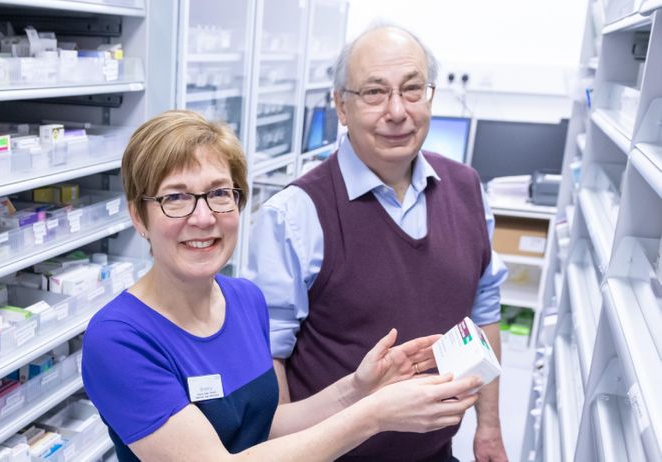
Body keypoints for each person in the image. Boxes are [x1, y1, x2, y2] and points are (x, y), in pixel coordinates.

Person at [81, 110, 482, 461]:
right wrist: (374, 415)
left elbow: (265, 426)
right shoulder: (119, 340)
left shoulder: (244, 300)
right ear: (138, 216)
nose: (203, 218)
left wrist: (359, 389)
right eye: (176, 198)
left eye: (220, 193)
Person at [247, 25, 510, 462]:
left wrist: (489, 428)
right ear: (341, 106)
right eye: (374, 92)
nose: (397, 111)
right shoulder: (295, 213)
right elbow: (270, 356)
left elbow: (484, 315)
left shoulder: (467, 189)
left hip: (436, 453)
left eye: (412, 90)